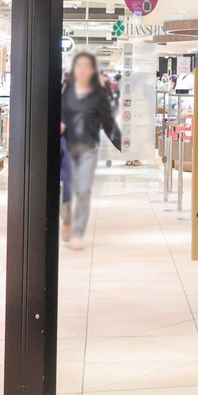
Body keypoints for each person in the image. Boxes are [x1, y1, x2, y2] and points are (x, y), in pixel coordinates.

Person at [60, 52, 121, 249]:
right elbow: (59, 113)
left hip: (88, 149)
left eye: (86, 66)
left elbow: (108, 123)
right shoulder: (66, 92)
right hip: (67, 147)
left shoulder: (98, 97)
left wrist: (123, 146)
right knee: (66, 188)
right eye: (79, 66)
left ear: (92, 70)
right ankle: (67, 219)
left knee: (83, 189)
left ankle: (78, 233)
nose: (82, 70)